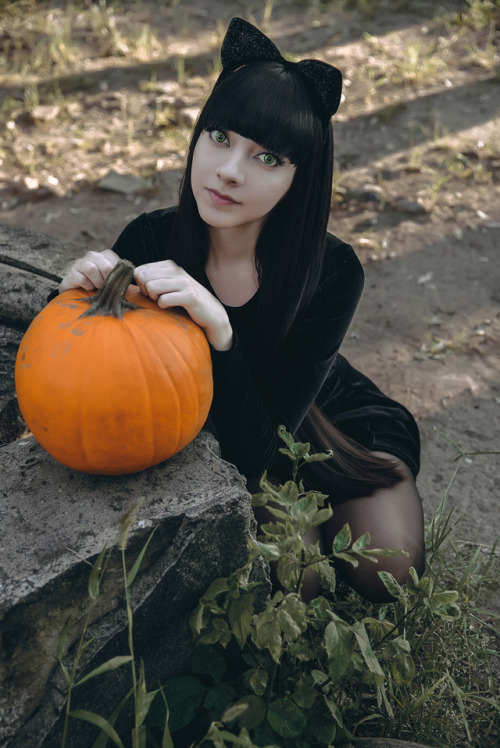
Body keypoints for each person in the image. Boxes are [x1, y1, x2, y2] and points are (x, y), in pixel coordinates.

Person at [59, 17, 425, 602]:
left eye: (268, 158)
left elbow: (274, 439)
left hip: (326, 421)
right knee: (296, 577)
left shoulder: (332, 271)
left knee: (389, 569)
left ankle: (351, 503)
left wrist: (220, 331)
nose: (229, 171)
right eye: (220, 137)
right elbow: (97, 370)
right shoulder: (152, 242)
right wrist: (76, 299)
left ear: (299, 179)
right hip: (233, 439)